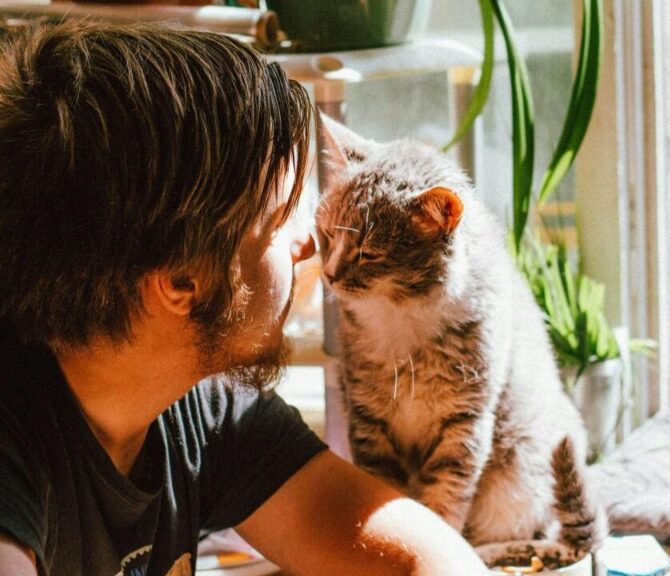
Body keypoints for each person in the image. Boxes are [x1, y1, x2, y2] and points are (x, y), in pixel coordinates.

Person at [0, 20, 488, 576]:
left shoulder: (200, 402)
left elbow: (427, 561)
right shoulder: (15, 451)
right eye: (281, 221)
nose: (308, 246)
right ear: (182, 281)